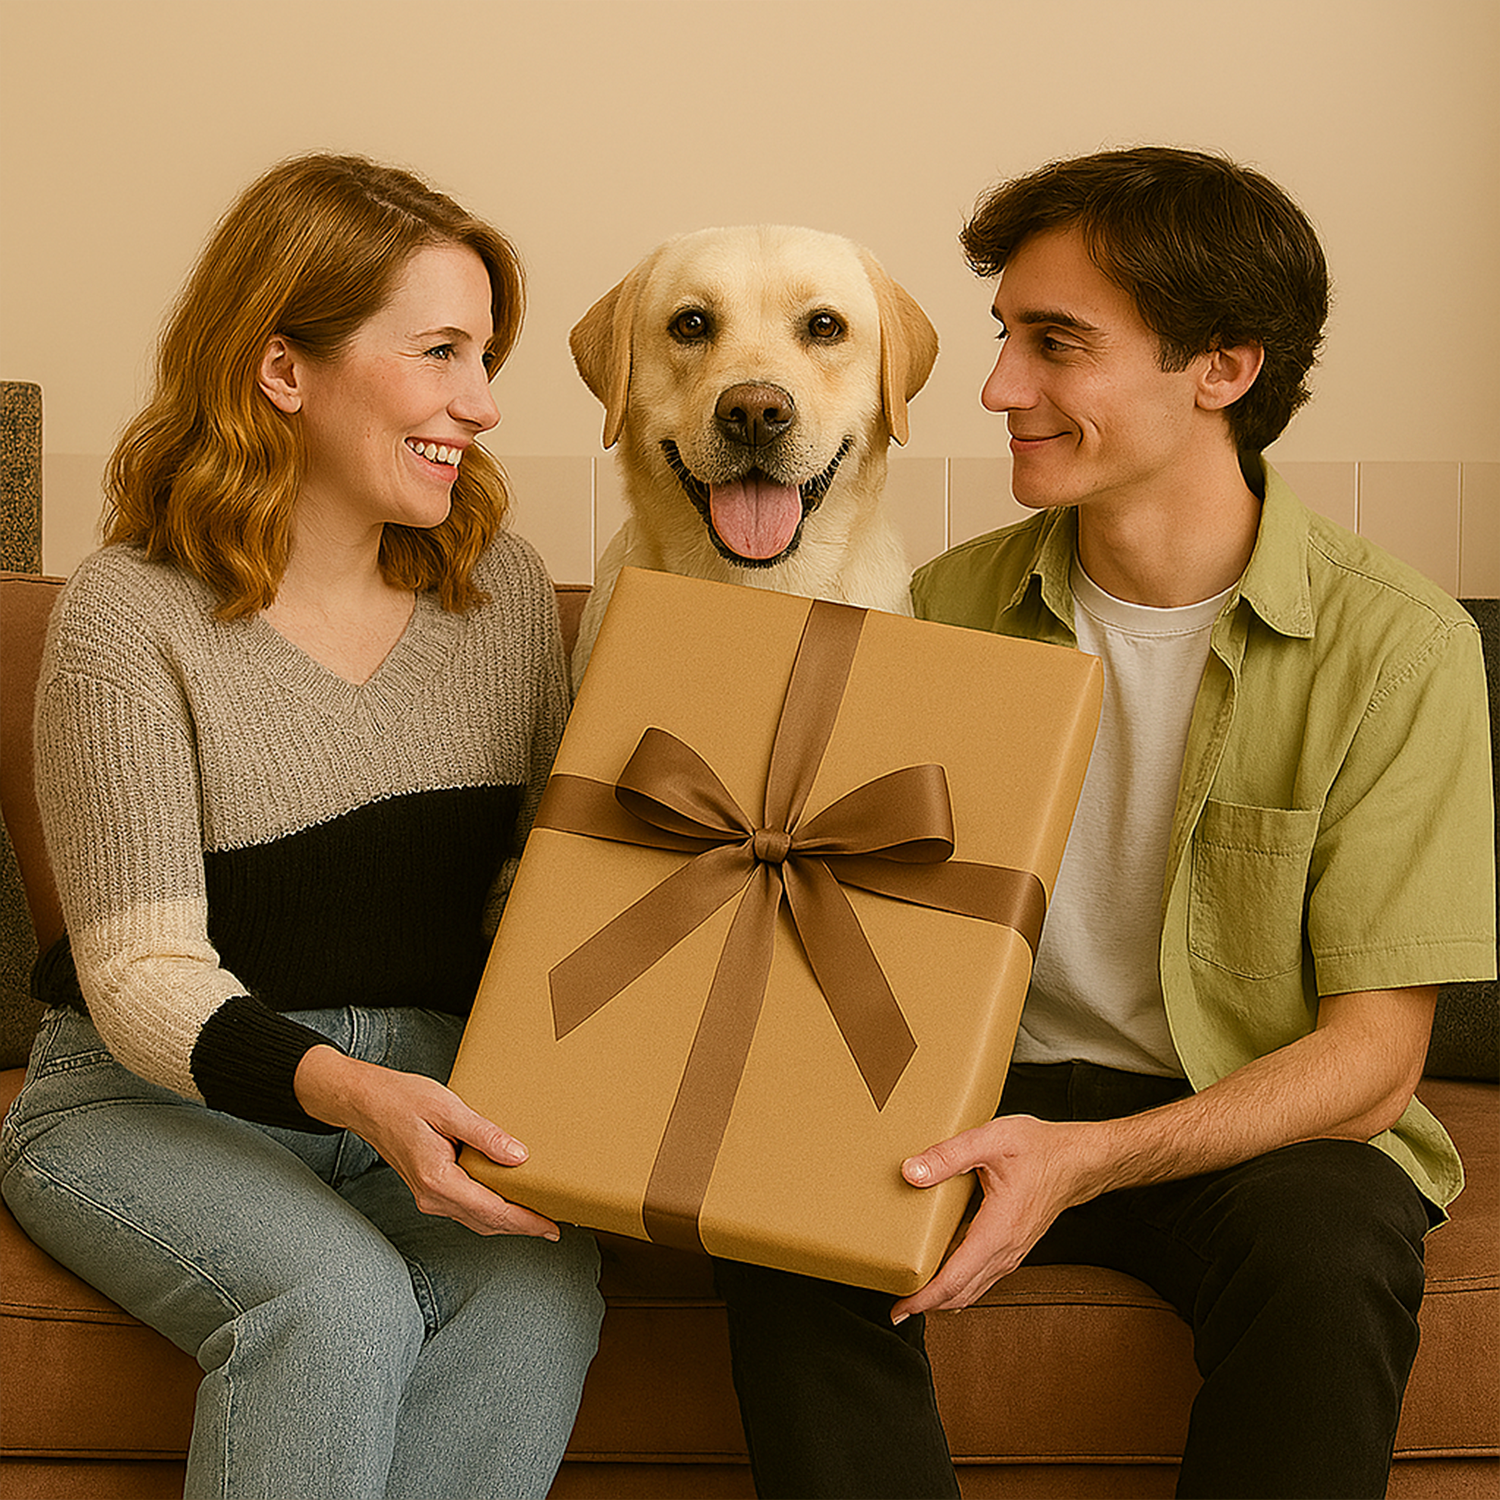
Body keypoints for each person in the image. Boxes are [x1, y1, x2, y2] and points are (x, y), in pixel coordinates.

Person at [713, 147, 1495, 1499]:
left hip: (1243, 1123)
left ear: (1223, 369)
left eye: (1055, 344)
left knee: (1332, 1248)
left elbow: (1373, 1059)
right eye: (1005, 337)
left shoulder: (1395, 645)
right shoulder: (938, 605)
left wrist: (1088, 1161)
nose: (996, 387)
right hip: (965, 1092)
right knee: (778, 1217)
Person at [0, 154, 603, 1500]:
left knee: (539, 1296)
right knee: (333, 1303)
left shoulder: (498, 595)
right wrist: (360, 1097)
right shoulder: (129, 614)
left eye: (486, 354)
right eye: (440, 351)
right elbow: (142, 980)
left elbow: (560, 894)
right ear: (285, 369)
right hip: (152, 1101)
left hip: (433, 1091)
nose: (483, 404)